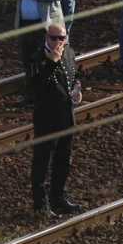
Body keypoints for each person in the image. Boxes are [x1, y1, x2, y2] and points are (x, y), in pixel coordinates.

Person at [28, 21, 84, 218]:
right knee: (42, 163)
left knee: (63, 160)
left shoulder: (69, 53)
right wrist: (52, 62)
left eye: (62, 37)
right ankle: (40, 206)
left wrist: (77, 91)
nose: (59, 42)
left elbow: (76, 76)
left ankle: (59, 198)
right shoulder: (36, 59)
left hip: (66, 116)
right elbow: (36, 87)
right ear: (46, 38)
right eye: (54, 38)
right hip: (46, 119)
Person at [8, 0, 66, 93]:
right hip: (25, 23)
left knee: (46, 59)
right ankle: (32, 93)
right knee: (29, 60)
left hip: (44, 24)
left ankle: (50, 92)